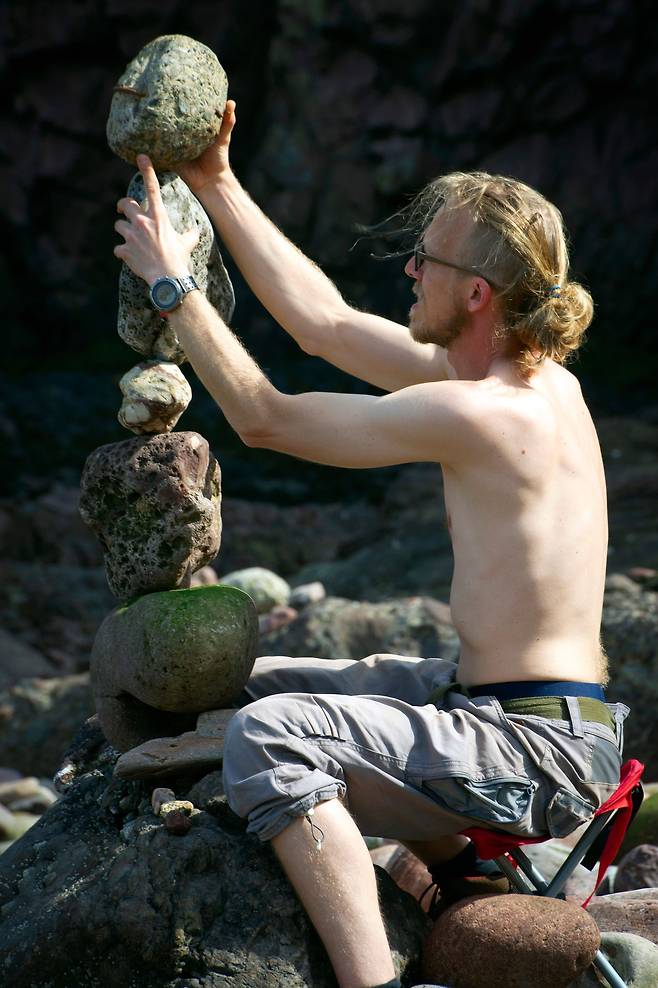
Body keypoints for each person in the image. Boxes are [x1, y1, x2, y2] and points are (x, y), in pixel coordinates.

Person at [114, 100, 628, 988]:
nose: (410, 268)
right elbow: (325, 325)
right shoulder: (526, 378)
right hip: (519, 712)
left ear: (478, 294)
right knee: (244, 688)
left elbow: (267, 419)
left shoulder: (481, 411)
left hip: (532, 751)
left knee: (270, 738)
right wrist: (217, 183)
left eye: (428, 258)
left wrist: (174, 286)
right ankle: (461, 879)